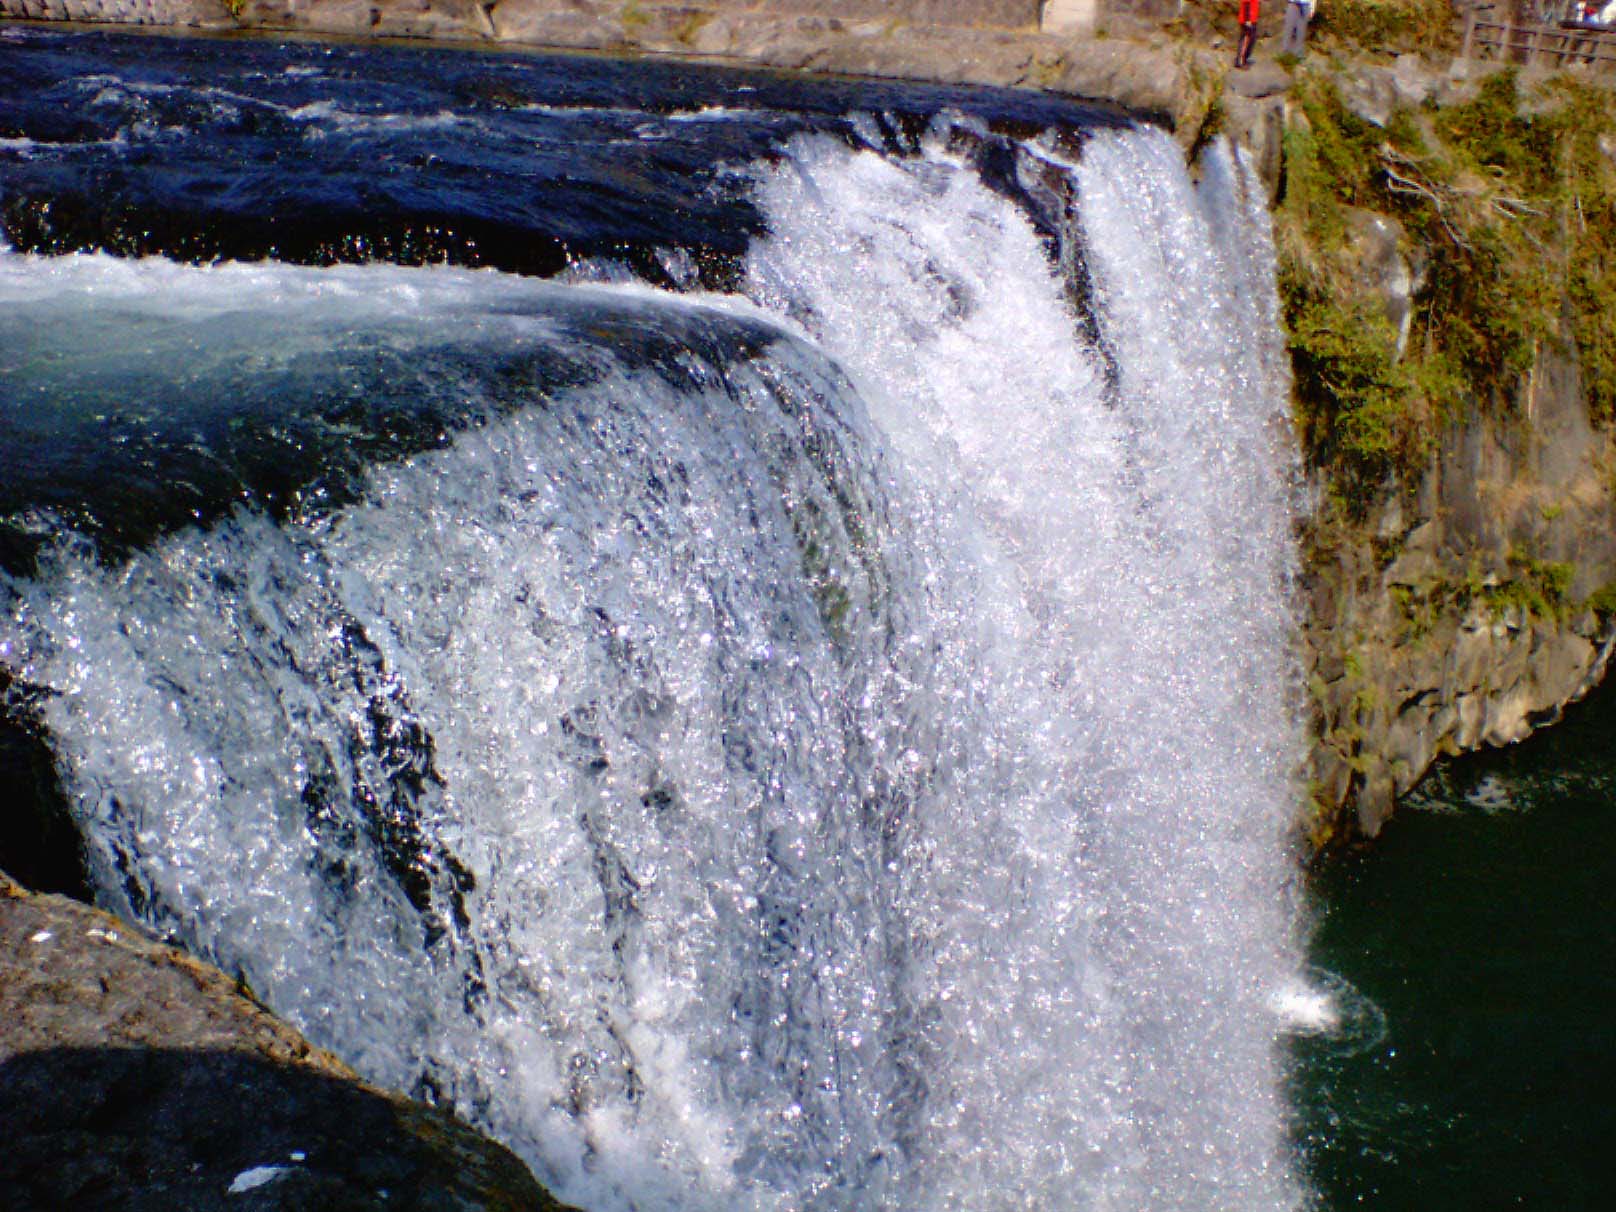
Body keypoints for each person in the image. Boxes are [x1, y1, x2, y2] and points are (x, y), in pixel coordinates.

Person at [1235, 0, 1261, 69]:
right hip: (1247, 20)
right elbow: (1246, 4)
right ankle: (1239, 61)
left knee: (1251, 40)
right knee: (1245, 40)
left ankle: (1245, 58)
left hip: (1252, 20)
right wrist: (1247, 20)